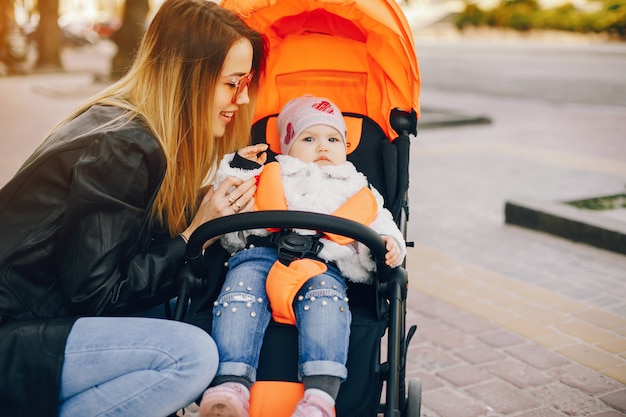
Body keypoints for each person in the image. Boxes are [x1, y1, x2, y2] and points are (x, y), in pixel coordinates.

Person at [0, 1, 268, 416]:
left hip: (38, 319)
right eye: (233, 83)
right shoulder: (122, 146)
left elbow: (129, 234)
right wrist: (192, 235)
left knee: (190, 313)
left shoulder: (128, 126)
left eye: (247, 81)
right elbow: (97, 294)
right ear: (187, 79)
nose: (243, 97)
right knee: (190, 355)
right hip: (15, 336)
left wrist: (209, 201)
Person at [200, 95, 407, 417]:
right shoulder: (270, 173)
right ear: (286, 146)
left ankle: (320, 397)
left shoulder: (356, 186)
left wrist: (387, 243)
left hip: (321, 262)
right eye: (308, 138)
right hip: (261, 254)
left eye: (333, 138)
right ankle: (231, 383)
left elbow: (380, 220)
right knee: (239, 295)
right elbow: (229, 199)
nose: (322, 146)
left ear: (346, 146)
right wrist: (240, 168)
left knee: (327, 299)